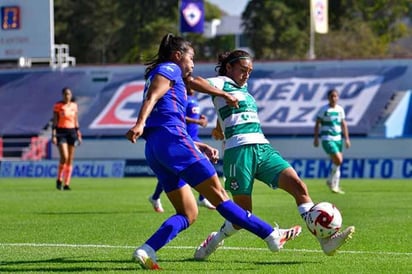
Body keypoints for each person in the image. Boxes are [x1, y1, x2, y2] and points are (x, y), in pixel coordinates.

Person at [125, 33, 302, 270]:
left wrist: (198, 144)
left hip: (157, 147)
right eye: (191, 58)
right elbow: (153, 96)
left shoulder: (165, 72)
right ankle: (270, 234)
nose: (193, 64)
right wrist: (139, 123)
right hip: (173, 142)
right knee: (220, 196)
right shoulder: (170, 68)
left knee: (188, 213)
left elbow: (165, 118)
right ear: (178, 56)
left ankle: (146, 250)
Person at [193, 50, 355, 261]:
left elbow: (230, 109)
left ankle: (326, 242)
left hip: (262, 147)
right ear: (229, 68)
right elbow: (194, 82)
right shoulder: (222, 82)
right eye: (243, 70)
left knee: (298, 186)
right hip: (239, 152)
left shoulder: (244, 91)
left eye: (250, 71)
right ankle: (214, 240)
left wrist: (218, 125)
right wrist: (223, 95)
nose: (246, 75)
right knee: (243, 212)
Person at [148, 79, 215, 213]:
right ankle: (156, 197)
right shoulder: (181, 98)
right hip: (184, 138)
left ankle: (201, 198)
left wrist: (202, 120)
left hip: (194, 137)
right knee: (175, 171)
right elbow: (178, 117)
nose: (193, 88)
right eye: (190, 85)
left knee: (203, 163)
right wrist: (197, 120)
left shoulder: (193, 100)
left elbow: (193, 116)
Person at [314, 88, 351, 194]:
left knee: (337, 163)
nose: (334, 98)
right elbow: (317, 124)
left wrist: (347, 138)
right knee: (338, 160)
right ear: (328, 98)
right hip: (327, 138)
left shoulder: (340, 109)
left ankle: (335, 185)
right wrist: (316, 138)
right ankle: (331, 181)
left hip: (338, 139)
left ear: (338, 97)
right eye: (332, 96)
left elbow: (343, 124)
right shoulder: (324, 110)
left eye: (335, 96)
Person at [51, 87, 82, 191]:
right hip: (61, 132)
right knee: (64, 156)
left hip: (72, 131)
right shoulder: (58, 106)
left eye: (69, 94)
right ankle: (59, 179)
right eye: (65, 94)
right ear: (62, 95)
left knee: (70, 159)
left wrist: (78, 133)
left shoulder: (74, 106)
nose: (67, 96)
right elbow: (55, 121)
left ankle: (66, 183)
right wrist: (54, 134)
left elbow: (75, 120)